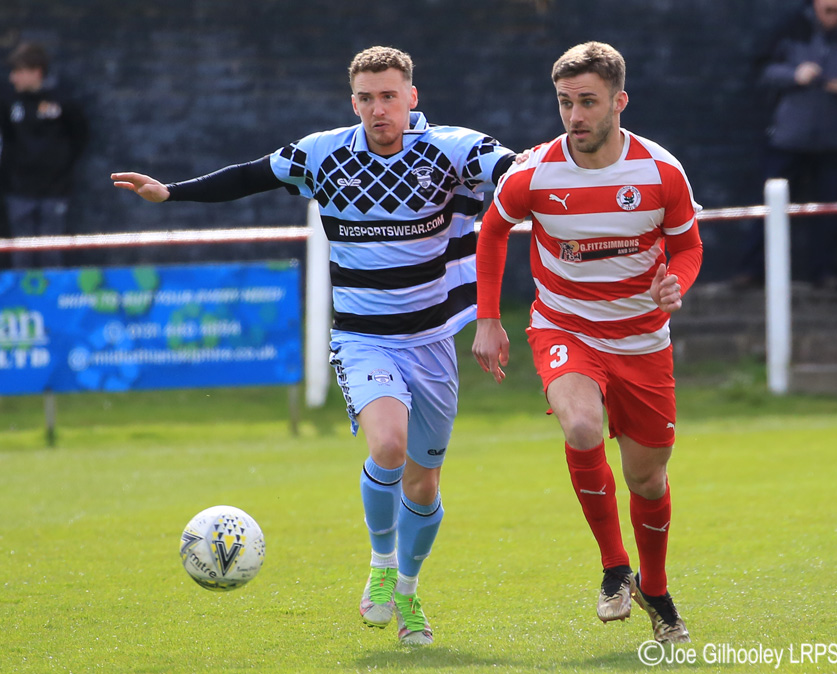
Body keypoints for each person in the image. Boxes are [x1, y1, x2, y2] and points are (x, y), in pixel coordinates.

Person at [111, 46, 515, 646]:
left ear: (412, 97)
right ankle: (381, 568)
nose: (378, 109)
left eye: (389, 96)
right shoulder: (323, 154)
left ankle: (407, 591)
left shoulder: (454, 150)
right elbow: (250, 176)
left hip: (431, 341)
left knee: (425, 486)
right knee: (389, 447)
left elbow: (521, 171)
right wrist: (172, 193)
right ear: (353, 102)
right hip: (361, 339)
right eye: (366, 98)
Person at [472, 41, 702, 644]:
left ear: (619, 102)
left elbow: (688, 245)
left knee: (647, 479)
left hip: (643, 341)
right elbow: (492, 233)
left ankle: (654, 586)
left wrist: (675, 283)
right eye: (565, 102)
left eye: (588, 102)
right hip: (565, 327)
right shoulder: (534, 173)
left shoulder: (660, 171)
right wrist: (488, 319)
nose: (574, 116)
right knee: (579, 426)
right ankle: (613, 567)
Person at [734, 0, 837, 289]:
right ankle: (753, 270)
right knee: (769, 209)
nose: (835, 18)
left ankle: (825, 273)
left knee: (829, 213)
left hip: (836, 140)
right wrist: (795, 75)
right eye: (830, 10)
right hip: (788, 137)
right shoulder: (790, 28)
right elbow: (762, 71)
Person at [0, 42, 89, 269]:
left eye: (18, 72)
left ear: (36, 72)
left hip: (55, 190)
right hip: (18, 191)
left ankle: (50, 302)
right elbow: (7, 139)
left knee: (51, 252)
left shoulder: (63, 101)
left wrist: (61, 169)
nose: (13, 78)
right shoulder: (9, 103)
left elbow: (79, 137)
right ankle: (23, 305)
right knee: (21, 252)